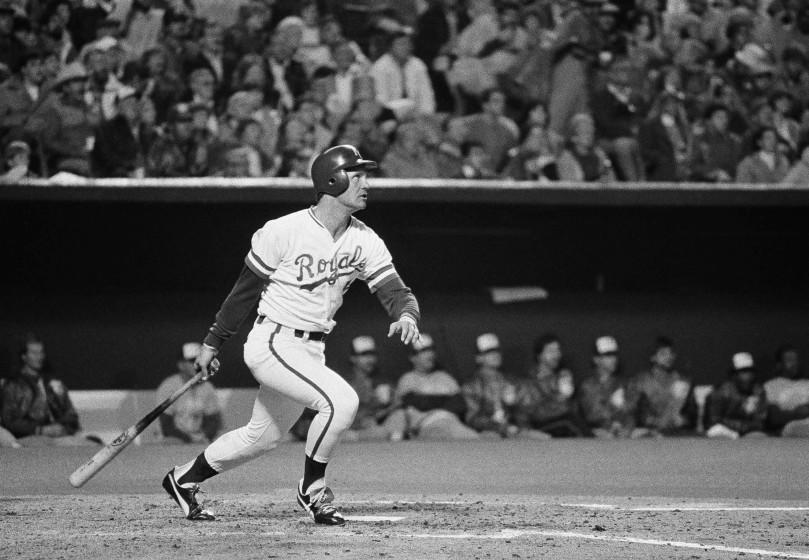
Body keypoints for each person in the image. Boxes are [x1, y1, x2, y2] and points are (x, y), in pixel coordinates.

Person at [161, 144, 420, 525]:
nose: (367, 183)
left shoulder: (365, 239)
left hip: (310, 349)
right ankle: (313, 489)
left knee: (261, 437)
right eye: (358, 175)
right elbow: (243, 294)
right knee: (341, 402)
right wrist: (212, 342)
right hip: (273, 342)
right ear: (333, 180)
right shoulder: (283, 230)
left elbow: (396, 291)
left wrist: (408, 315)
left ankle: (183, 479)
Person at [0, 333, 91, 446]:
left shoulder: (53, 383)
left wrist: (60, 426)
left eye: (41, 352)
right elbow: (10, 421)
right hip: (30, 438)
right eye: (34, 353)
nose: (39, 357)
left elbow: (71, 414)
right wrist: (40, 429)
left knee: (93, 444)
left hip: (62, 437)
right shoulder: (13, 385)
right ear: (24, 356)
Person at [386, 333, 477, 441]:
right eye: (424, 351)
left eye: (431, 350)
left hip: (452, 422)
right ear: (412, 357)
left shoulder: (445, 377)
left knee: (479, 440)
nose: (430, 355)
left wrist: (429, 401)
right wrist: (445, 399)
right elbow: (413, 402)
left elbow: (460, 405)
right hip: (426, 424)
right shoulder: (408, 379)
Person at [513, 333, 590, 437]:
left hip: (563, 423)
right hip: (539, 426)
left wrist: (570, 396)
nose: (556, 355)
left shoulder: (562, 377)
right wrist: (561, 397)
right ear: (539, 355)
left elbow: (574, 410)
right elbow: (531, 414)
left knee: (571, 421)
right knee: (568, 422)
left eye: (557, 350)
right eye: (550, 351)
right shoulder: (528, 382)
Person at [625, 336, 698, 437]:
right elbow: (633, 413)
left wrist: (684, 420)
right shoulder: (639, 382)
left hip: (677, 435)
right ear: (653, 357)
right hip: (647, 436)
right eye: (663, 353)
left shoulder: (684, 382)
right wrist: (654, 422)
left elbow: (692, 414)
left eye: (671, 353)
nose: (669, 357)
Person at [156, 342, 223, 444]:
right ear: (181, 365)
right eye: (192, 361)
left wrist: (204, 436)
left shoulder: (207, 387)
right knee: (172, 441)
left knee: (222, 440)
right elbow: (166, 425)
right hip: (173, 439)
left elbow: (213, 420)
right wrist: (190, 439)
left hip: (199, 438)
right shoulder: (169, 386)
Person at [577, 335, 633, 438]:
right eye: (608, 355)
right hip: (597, 435)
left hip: (622, 434)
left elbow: (630, 413)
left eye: (614, 355)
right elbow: (592, 415)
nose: (613, 359)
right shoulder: (588, 385)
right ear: (596, 359)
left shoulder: (624, 384)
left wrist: (625, 427)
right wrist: (612, 406)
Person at [704, 352, 768, 439]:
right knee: (715, 431)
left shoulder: (759, 391)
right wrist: (737, 427)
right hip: (726, 433)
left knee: (761, 436)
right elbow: (714, 420)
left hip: (749, 434)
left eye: (750, 371)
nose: (748, 376)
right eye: (743, 372)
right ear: (734, 375)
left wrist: (745, 427)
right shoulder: (721, 392)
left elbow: (760, 422)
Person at [764, 345, 809, 437]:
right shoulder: (771, 386)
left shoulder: (807, 383)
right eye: (789, 360)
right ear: (779, 364)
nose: (794, 363)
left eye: (796, 359)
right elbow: (775, 418)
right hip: (790, 429)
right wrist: (797, 414)